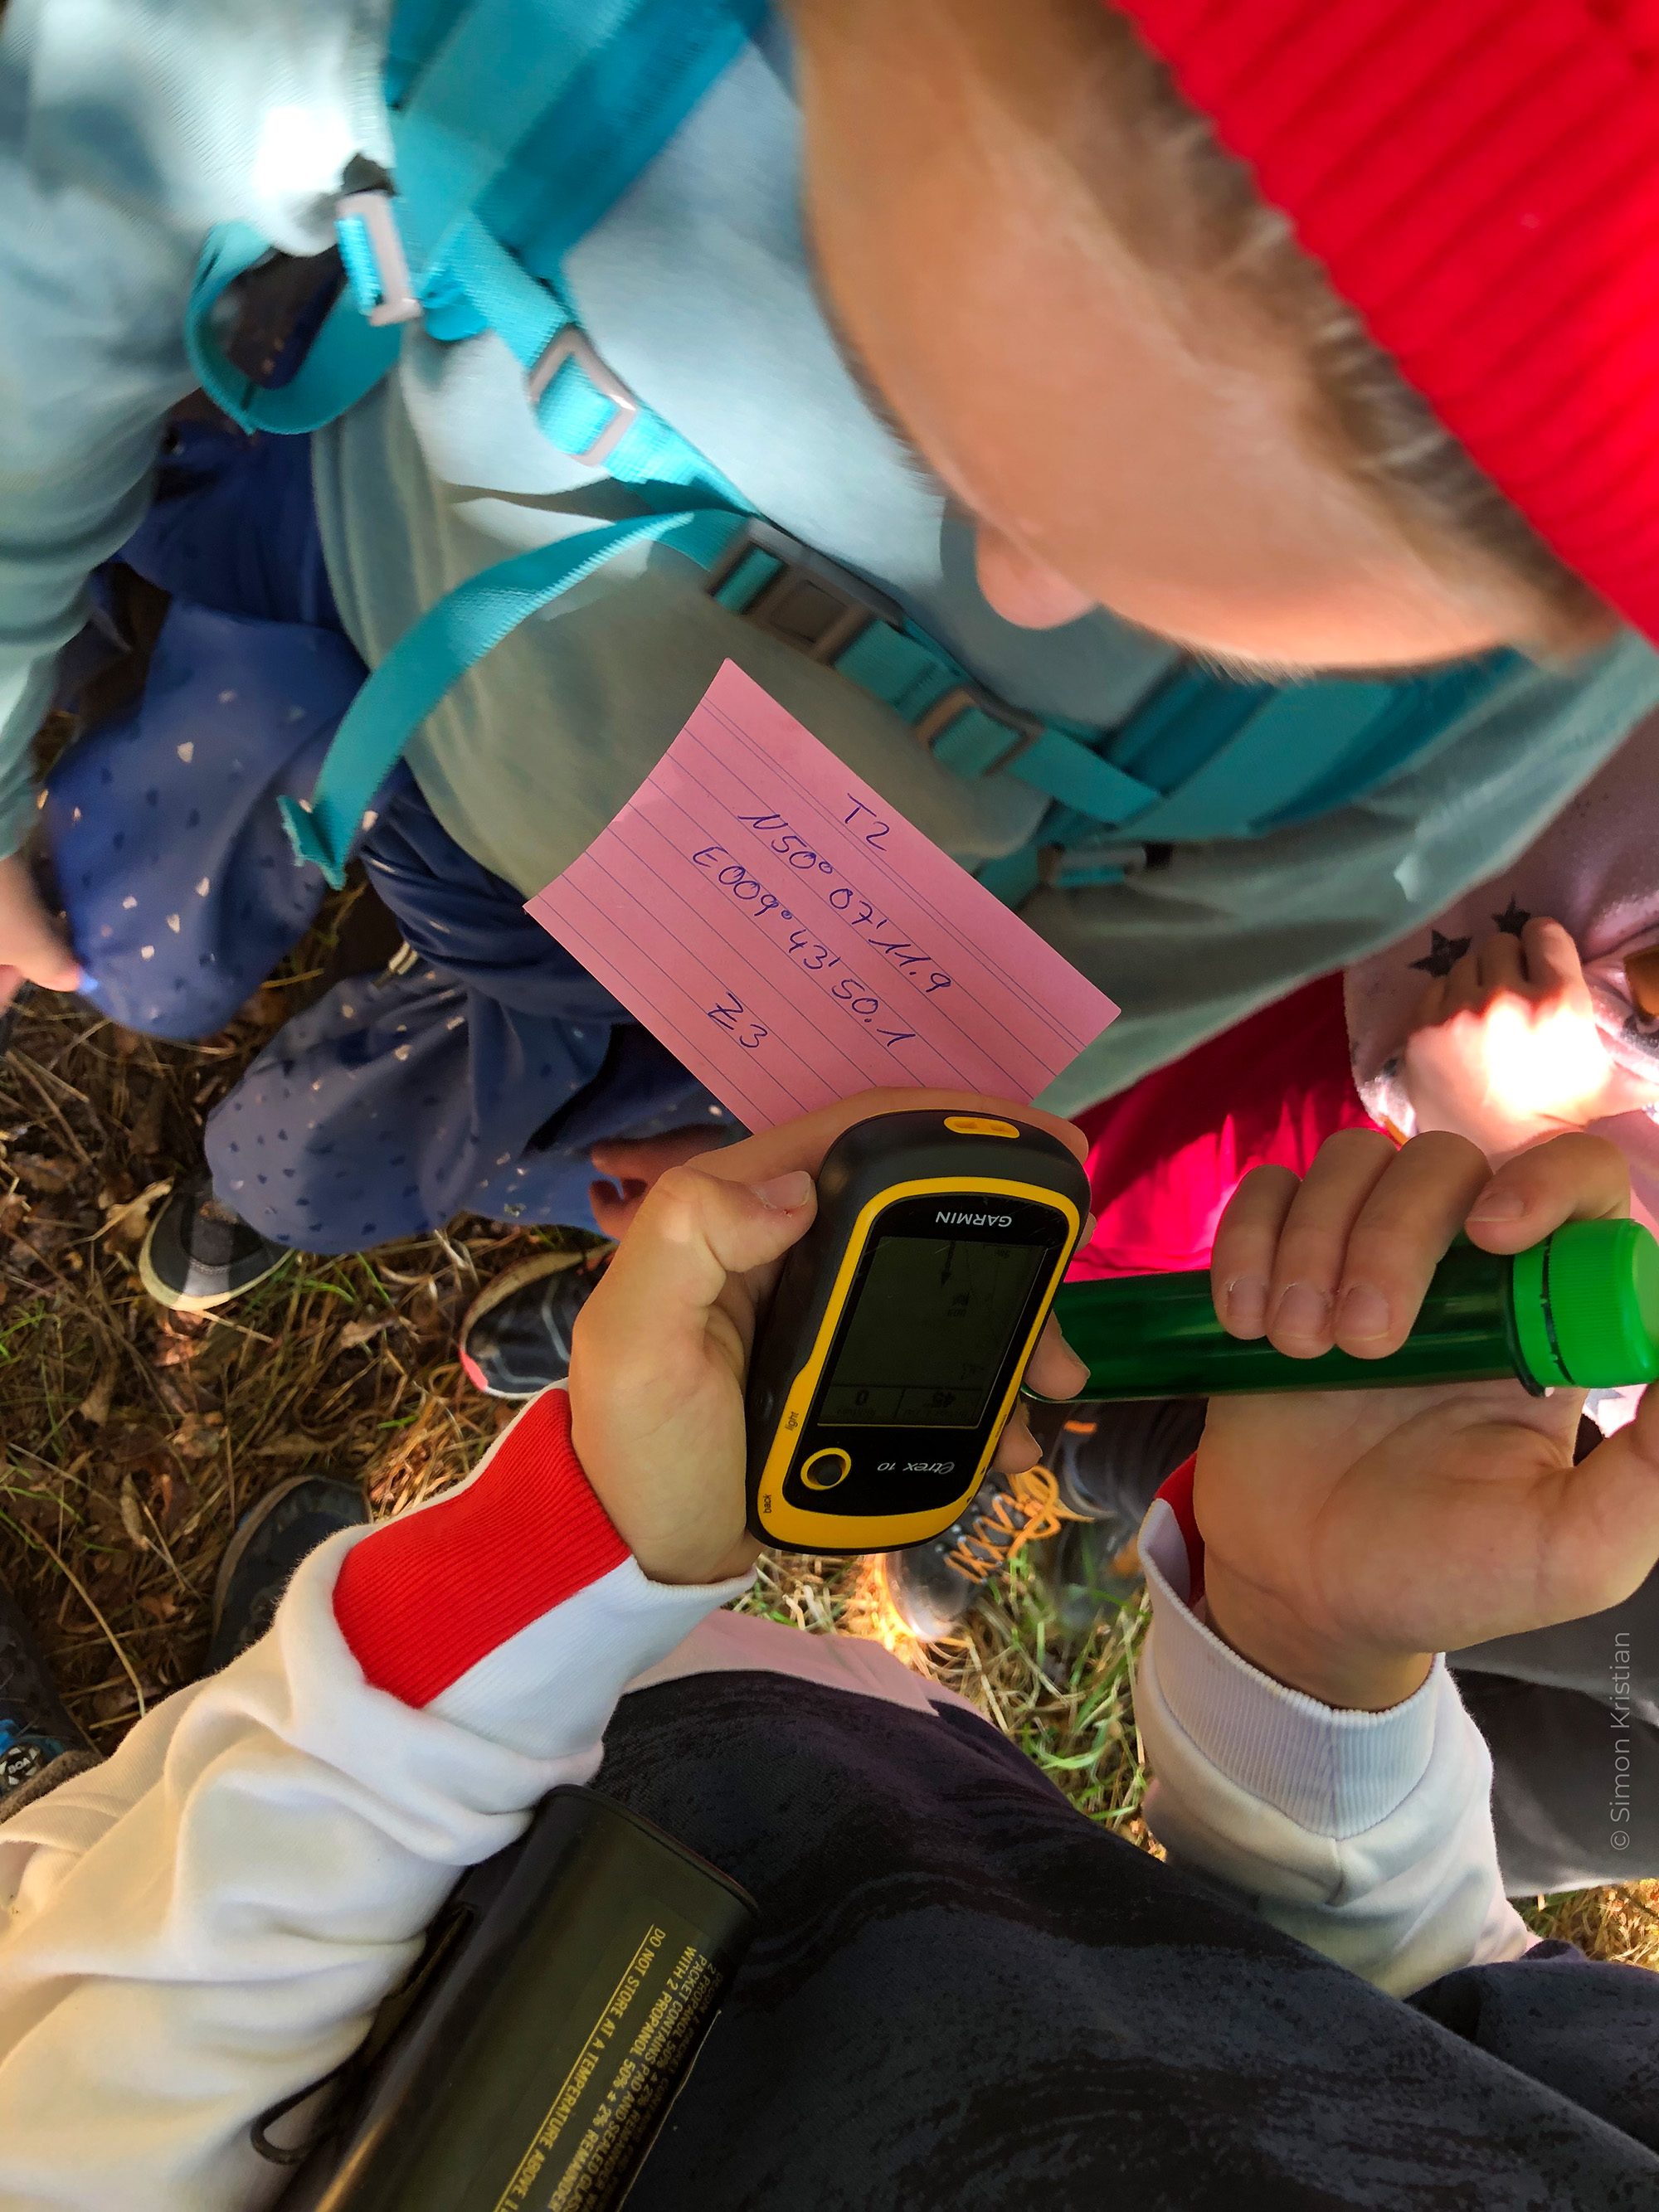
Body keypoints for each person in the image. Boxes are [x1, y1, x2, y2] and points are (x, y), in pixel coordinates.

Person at [6, 0, 1659, 1312]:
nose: (1022, 593)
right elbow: (81, 172)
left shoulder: (1536, 679)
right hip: (362, 564)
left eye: (1213, 639)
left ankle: (304, 1147)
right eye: (976, 454)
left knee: (420, 1091)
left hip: (695, 947)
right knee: (141, 945)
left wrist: (851, 1148)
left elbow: (1205, 932)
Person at [2, 1085, 1658, 2208]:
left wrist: (529, 1581)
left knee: (103, 1866)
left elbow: (66, 2156)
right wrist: (1316, 1651)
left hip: (191, 2019)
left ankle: (74, 1779)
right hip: (795, 1754)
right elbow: (1448, 2026)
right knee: (244, 1777)